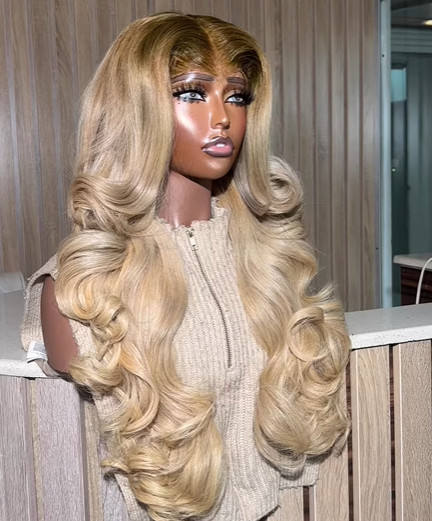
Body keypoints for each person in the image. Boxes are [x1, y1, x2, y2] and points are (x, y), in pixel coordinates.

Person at [22, 12, 350, 521]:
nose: (222, 118)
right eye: (192, 93)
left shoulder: (267, 260)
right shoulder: (82, 287)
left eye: (236, 96)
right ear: (136, 110)